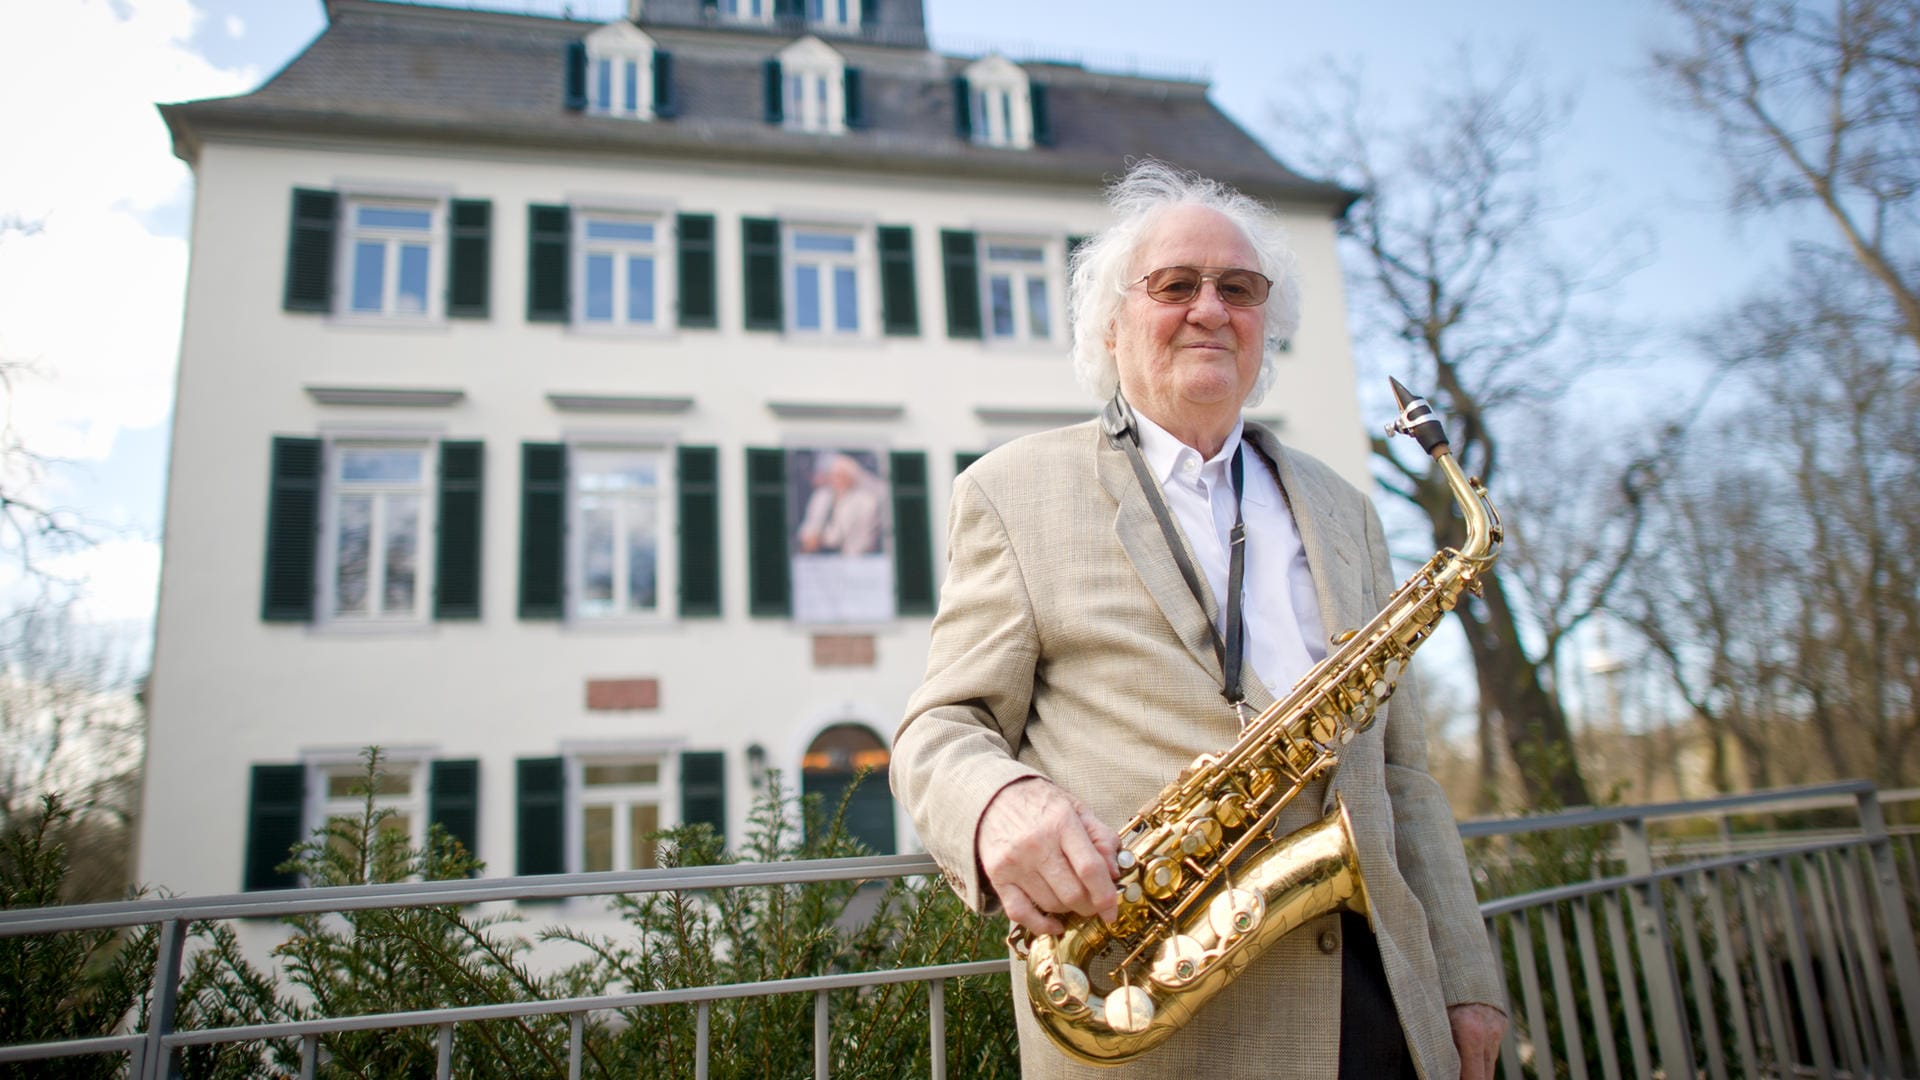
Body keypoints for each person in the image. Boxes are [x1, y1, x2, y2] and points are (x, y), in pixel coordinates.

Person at [890, 161, 1508, 1079]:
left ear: (1268, 325)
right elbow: (940, 729)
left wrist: (1466, 977)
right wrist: (994, 804)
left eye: (1240, 288)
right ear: (1111, 324)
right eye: (1176, 285)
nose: (1211, 308)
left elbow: (1406, 773)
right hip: (1159, 1025)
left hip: (1383, 1003)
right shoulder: (1012, 490)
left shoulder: (1348, 510)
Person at [795, 452, 885, 556]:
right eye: (833, 475)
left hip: (852, 555)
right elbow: (810, 524)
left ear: (851, 477)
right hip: (819, 553)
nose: (837, 480)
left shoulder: (865, 501)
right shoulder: (821, 496)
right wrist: (810, 536)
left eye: (841, 475)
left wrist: (823, 538)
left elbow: (862, 540)